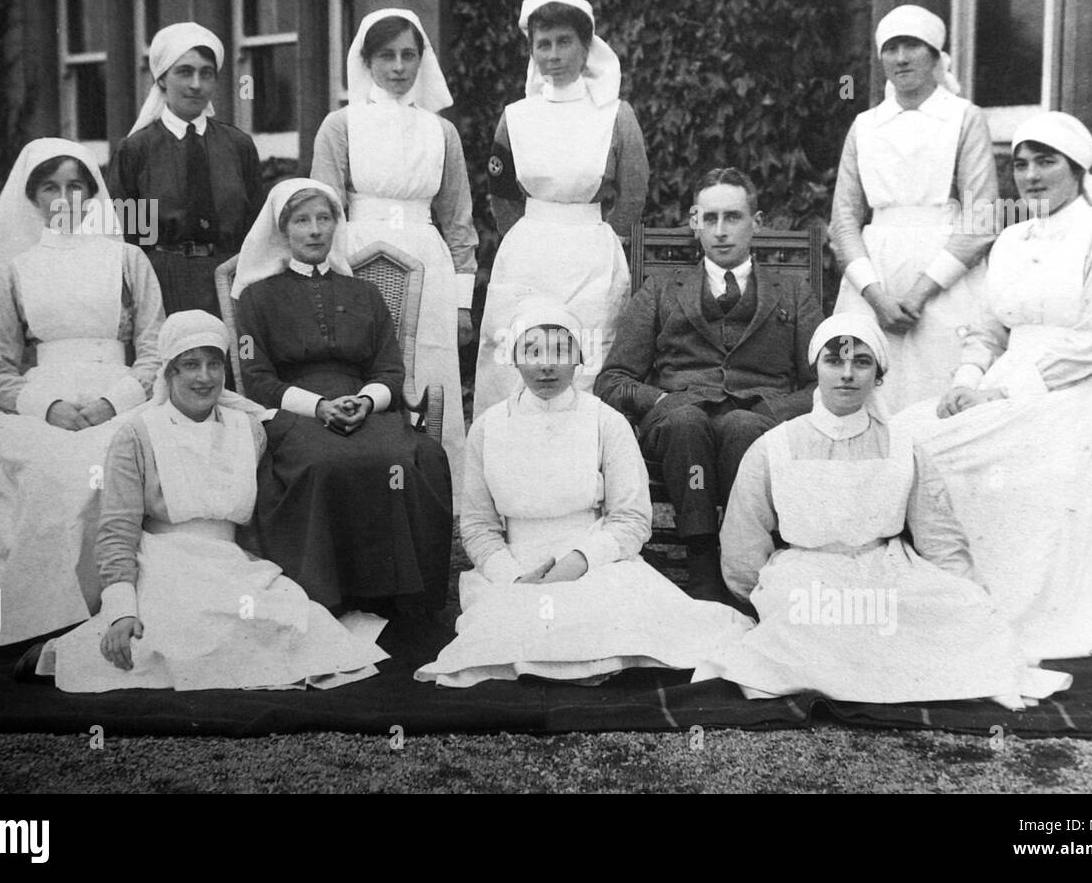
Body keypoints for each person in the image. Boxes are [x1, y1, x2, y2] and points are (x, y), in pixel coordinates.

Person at [692, 314, 1071, 707]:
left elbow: (939, 535)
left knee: (958, 612)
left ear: (878, 375)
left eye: (861, 362)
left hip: (887, 570)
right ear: (816, 368)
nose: (847, 374)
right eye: (834, 361)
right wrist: (764, 597)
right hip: (806, 575)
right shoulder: (775, 445)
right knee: (815, 620)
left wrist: (969, 595)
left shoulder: (902, 447)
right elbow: (743, 540)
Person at [33, 311, 389, 691]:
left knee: (295, 624)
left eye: (213, 364)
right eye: (190, 365)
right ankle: (61, 654)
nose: (204, 377)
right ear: (168, 372)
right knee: (176, 637)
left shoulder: (249, 429)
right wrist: (121, 611)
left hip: (232, 564)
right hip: (163, 567)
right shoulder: (136, 435)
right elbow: (116, 532)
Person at [899, 112, 1092, 662]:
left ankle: (1008, 610)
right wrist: (966, 383)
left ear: (1077, 168)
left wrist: (1004, 394)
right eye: (1021, 164)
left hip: (1066, 399)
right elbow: (988, 327)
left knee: (937, 451)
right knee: (904, 433)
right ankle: (941, 598)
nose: (1031, 175)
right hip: (1002, 383)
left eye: (1046, 161)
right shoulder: (1010, 240)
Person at [415, 302, 751, 687]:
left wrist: (577, 563)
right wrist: (514, 577)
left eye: (560, 352)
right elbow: (477, 525)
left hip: (595, 560)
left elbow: (631, 519)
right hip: (515, 567)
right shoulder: (488, 428)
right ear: (513, 357)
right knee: (513, 630)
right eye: (533, 351)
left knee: (619, 621)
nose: (547, 365)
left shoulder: (605, 421)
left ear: (578, 358)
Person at [0, 138, 164, 650]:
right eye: (50, 187)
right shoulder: (16, 268)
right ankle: (40, 616)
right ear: (33, 198)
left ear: (93, 195)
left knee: (107, 461)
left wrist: (109, 402)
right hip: (44, 400)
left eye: (75, 186)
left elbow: (155, 352)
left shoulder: (127, 260)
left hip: (118, 395)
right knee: (48, 468)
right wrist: (46, 408)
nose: (64, 198)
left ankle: (105, 607)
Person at [595, 168, 821, 601]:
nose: (720, 231)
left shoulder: (793, 293)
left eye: (733, 217)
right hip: (681, 421)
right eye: (709, 218)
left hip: (758, 419)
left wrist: (772, 413)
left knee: (743, 429)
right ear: (695, 224)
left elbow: (819, 383)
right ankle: (701, 559)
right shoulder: (660, 290)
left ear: (756, 223)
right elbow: (613, 380)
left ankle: (743, 559)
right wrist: (660, 398)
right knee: (685, 425)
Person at [232, 178, 453, 618]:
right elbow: (255, 378)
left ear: (336, 224)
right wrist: (318, 407)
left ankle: (399, 595)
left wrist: (367, 402)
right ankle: (327, 593)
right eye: (301, 220)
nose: (314, 230)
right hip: (294, 412)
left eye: (323, 218)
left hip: (367, 407)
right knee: (323, 463)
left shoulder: (364, 294)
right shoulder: (255, 299)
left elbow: (390, 369)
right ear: (283, 230)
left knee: (405, 460)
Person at [311, 9, 476, 505]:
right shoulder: (340, 125)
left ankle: (432, 496)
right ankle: (361, 492)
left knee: (427, 380)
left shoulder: (441, 132)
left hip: (428, 263)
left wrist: (464, 302)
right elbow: (322, 209)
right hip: (357, 257)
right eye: (387, 55)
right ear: (366, 61)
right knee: (363, 369)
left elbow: (459, 220)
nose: (399, 67)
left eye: (409, 55)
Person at [473, 0, 649, 416]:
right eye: (543, 44)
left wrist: (609, 238)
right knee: (518, 354)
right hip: (527, 253)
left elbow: (634, 190)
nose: (553, 54)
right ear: (532, 50)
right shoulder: (516, 116)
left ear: (587, 46)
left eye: (564, 41)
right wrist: (527, 237)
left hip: (592, 249)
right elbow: (501, 193)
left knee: (588, 353)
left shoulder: (616, 114)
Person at [829, 4, 1000, 414]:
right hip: (875, 278)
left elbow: (981, 220)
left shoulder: (963, 117)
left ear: (936, 55)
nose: (901, 58)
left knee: (938, 395)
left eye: (913, 46)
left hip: (944, 281)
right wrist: (876, 296)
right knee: (870, 400)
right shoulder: (866, 126)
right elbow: (844, 222)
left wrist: (921, 293)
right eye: (891, 48)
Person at [108, 22, 262, 318]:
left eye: (206, 73)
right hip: (163, 280)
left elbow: (255, 229)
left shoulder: (238, 146)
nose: (196, 84)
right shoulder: (137, 150)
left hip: (230, 276)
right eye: (184, 71)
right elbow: (128, 238)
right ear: (162, 79)